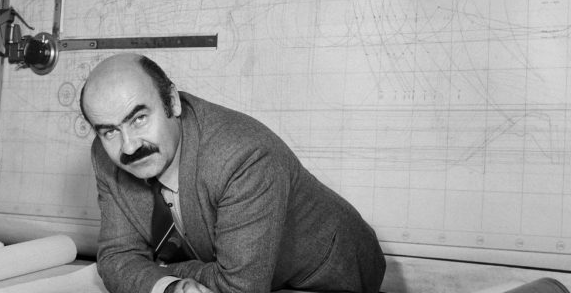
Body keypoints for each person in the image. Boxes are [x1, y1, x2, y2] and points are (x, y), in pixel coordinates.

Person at [79, 53, 386, 293]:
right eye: (109, 131)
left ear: (172, 101)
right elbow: (117, 257)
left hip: (325, 277)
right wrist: (169, 287)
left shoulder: (243, 155)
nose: (129, 146)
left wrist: (167, 270)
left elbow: (240, 288)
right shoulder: (105, 156)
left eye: (139, 118)